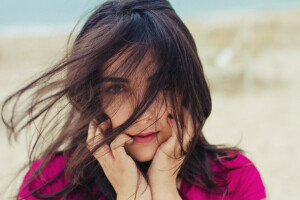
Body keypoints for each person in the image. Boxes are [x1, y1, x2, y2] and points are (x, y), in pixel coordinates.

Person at [1, 0, 266, 199]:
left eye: (161, 86)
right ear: (95, 96)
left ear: (185, 87)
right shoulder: (51, 182)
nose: (142, 114)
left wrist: (162, 186)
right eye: (117, 89)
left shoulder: (233, 179)